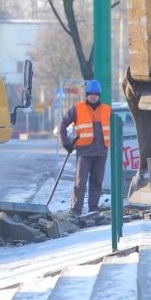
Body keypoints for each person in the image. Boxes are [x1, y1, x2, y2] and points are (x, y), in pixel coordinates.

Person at [58, 79, 111, 216]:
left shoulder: (107, 110)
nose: (93, 96)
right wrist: (65, 143)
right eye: (90, 94)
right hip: (84, 152)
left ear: (99, 95)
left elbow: (115, 128)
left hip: (101, 152)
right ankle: (76, 210)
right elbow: (63, 124)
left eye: (95, 94)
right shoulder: (77, 109)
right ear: (86, 95)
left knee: (97, 182)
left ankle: (93, 210)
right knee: (80, 182)